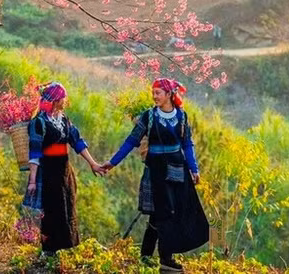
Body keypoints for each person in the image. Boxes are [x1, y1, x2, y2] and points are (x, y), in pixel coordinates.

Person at [102, 78, 209, 272]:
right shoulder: (148, 116)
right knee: (162, 213)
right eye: (154, 92)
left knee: (169, 214)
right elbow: (131, 141)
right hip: (156, 171)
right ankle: (165, 259)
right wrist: (113, 162)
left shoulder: (182, 117)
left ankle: (147, 254)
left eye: (158, 92)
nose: (154, 96)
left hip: (178, 171)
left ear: (169, 95)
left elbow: (187, 145)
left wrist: (194, 169)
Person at [22, 82, 105, 256]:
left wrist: (93, 163)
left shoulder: (64, 120)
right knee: (51, 209)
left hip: (64, 171)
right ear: (55, 100)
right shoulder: (39, 122)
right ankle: (48, 250)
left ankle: (65, 247)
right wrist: (32, 181)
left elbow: (78, 142)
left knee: (67, 206)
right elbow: (35, 152)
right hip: (48, 172)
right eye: (62, 98)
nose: (65, 101)